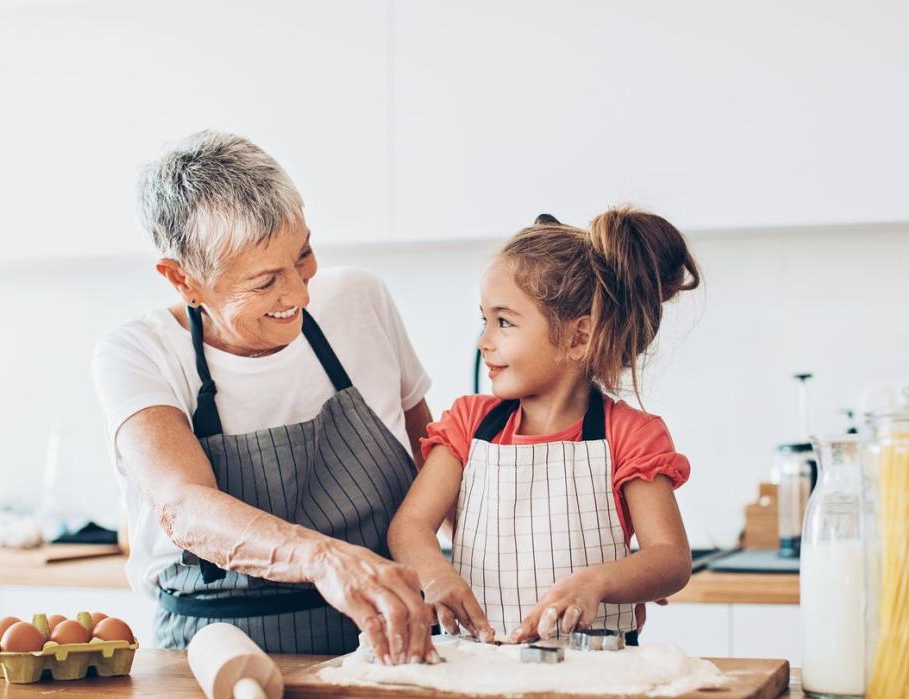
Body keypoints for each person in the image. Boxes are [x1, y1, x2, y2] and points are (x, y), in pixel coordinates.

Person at [93, 130, 436, 663]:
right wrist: (323, 560)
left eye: (303, 256)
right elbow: (183, 505)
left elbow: (432, 457)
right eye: (265, 281)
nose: (298, 294)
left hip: (386, 640)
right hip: (215, 655)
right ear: (183, 279)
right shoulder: (137, 354)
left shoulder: (360, 299)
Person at [388, 208, 699, 644]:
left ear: (578, 337)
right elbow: (410, 526)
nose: (484, 341)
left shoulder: (629, 435)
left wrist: (596, 583)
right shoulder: (468, 424)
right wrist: (436, 575)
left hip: (596, 668)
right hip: (481, 661)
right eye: (485, 319)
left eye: (504, 321)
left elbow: (670, 559)